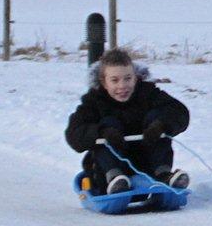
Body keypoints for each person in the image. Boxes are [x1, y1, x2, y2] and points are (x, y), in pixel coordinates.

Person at [65, 48, 191, 194]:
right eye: (114, 80)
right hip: (108, 168)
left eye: (128, 78)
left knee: (157, 116)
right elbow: (74, 134)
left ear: (135, 78)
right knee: (108, 122)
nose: (122, 86)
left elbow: (179, 112)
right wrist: (101, 132)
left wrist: (161, 125)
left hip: (147, 162)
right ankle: (115, 179)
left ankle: (163, 175)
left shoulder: (148, 94)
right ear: (104, 82)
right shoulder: (93, 102)